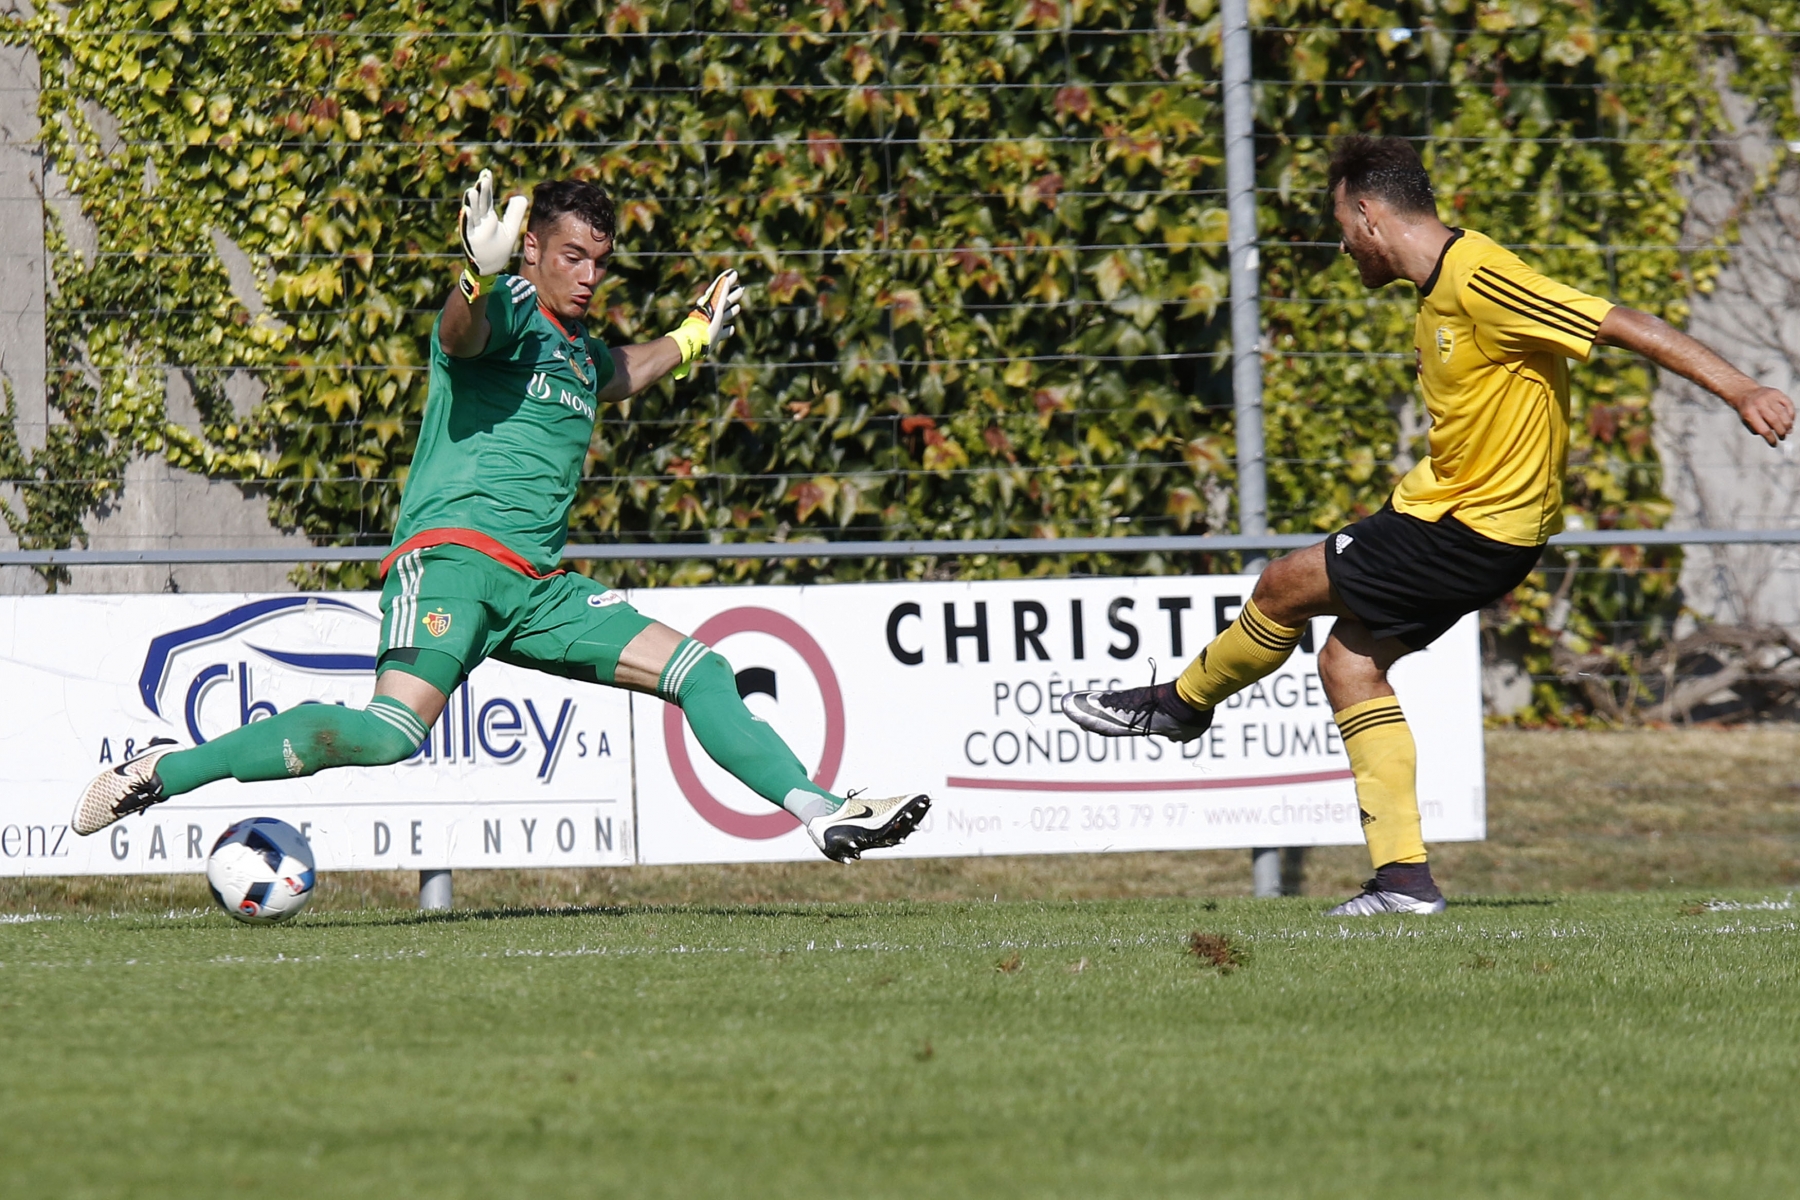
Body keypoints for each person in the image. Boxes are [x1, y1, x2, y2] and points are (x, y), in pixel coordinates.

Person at [75, 170, 930, 863]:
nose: (588, 275)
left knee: (702, 672)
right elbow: (459, 334)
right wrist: (476, 277)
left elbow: (619, 370)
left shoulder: (577, 349)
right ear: (532, 249)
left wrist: (693, 336)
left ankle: (823, 811)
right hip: (452, 559)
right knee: (387, 736)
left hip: (539, 588)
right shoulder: (513, 310)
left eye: (599, 260)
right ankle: (161, 772)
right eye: (571, 256)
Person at [1065, 136, 1794, 915]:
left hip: (1470, 530)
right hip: (1453, 520)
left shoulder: (1483, 277)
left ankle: (1179, 704)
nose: (1342, 243)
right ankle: (1404, 883)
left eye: (1342, 221)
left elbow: (1620, 321)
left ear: (1369, 214)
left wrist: (1741, 388)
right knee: (1349, 667)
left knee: (1282, 584)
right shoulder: (1437, 288)